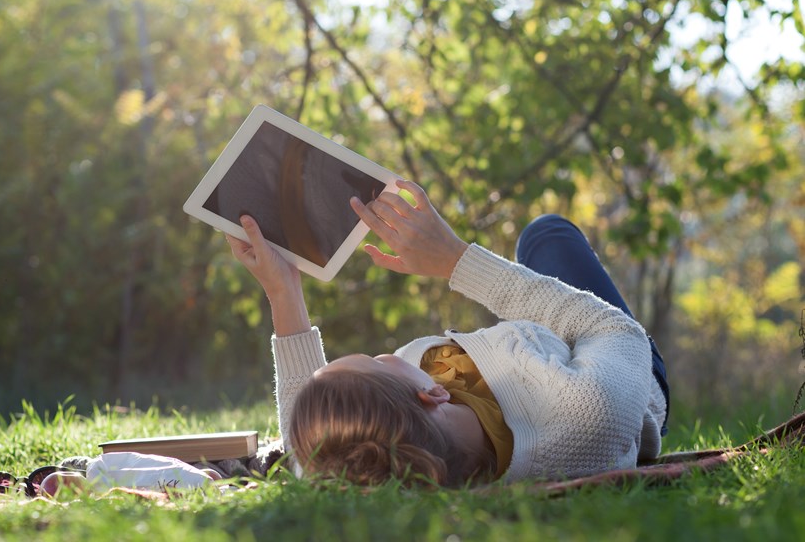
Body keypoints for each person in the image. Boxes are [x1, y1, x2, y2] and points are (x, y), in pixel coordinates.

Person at [225, 180, 669, 487]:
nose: (385, 355)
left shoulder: (390, 457)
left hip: (539, 357)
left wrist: (282, 289)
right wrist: (455, 260)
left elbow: (308, 451)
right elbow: (613, 329)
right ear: (431, 395)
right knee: (546, 233)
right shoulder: (587, 409)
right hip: (618, 366)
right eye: (378, 361)